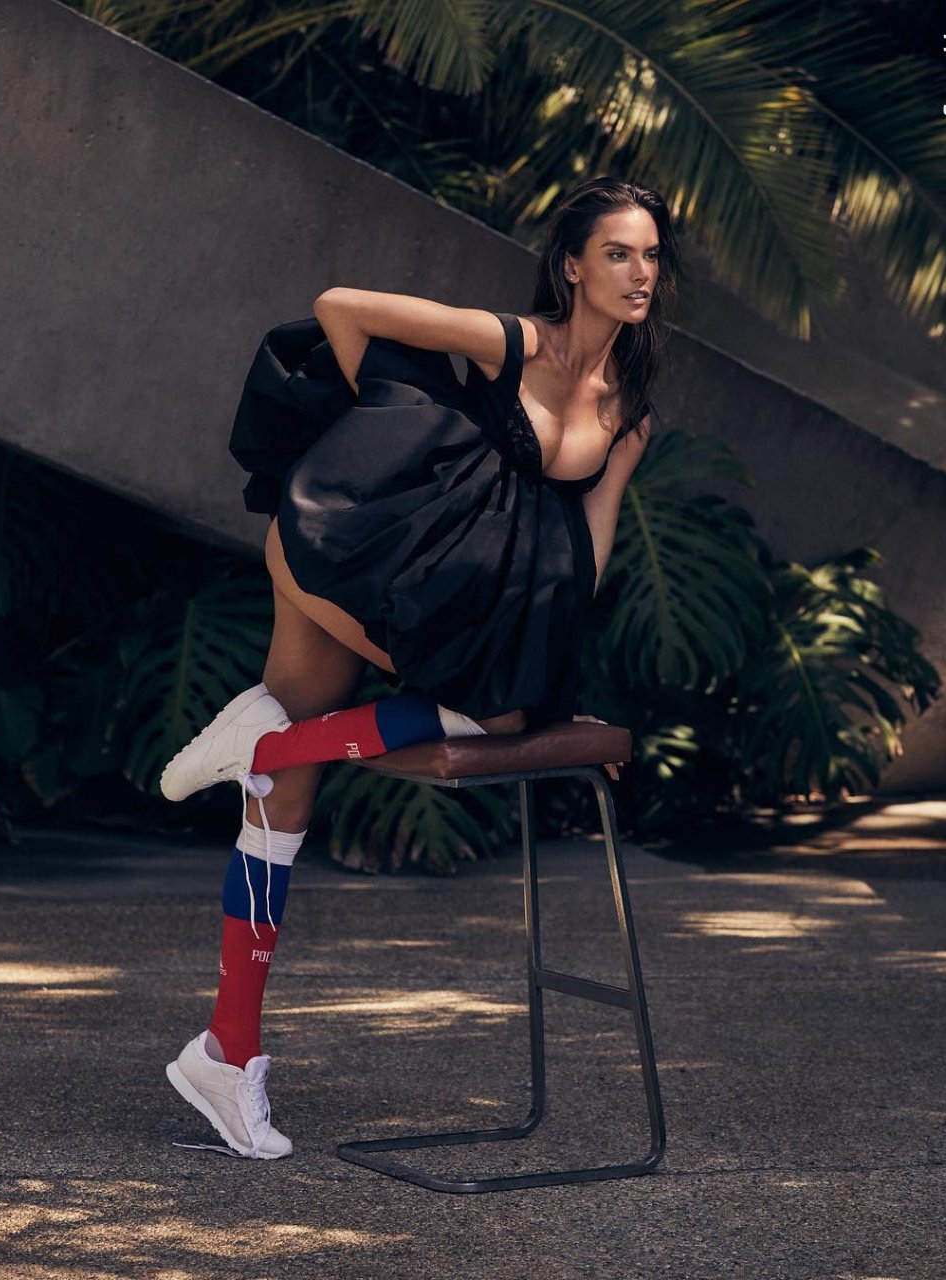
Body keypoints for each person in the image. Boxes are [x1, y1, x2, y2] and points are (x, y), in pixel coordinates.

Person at [159, 177, 677, 1158]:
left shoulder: (630, 410)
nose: (639, 271)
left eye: (650, 254)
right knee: (382, 750)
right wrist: (391, 431)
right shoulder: (515, 341)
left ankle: (225, 1047)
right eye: (618, 252)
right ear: (573, 265)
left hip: (466, 600)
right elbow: (341, 308)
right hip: (371, 548)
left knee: (307, 780)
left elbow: (588, 549)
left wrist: (555, 667)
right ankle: (264, 760)